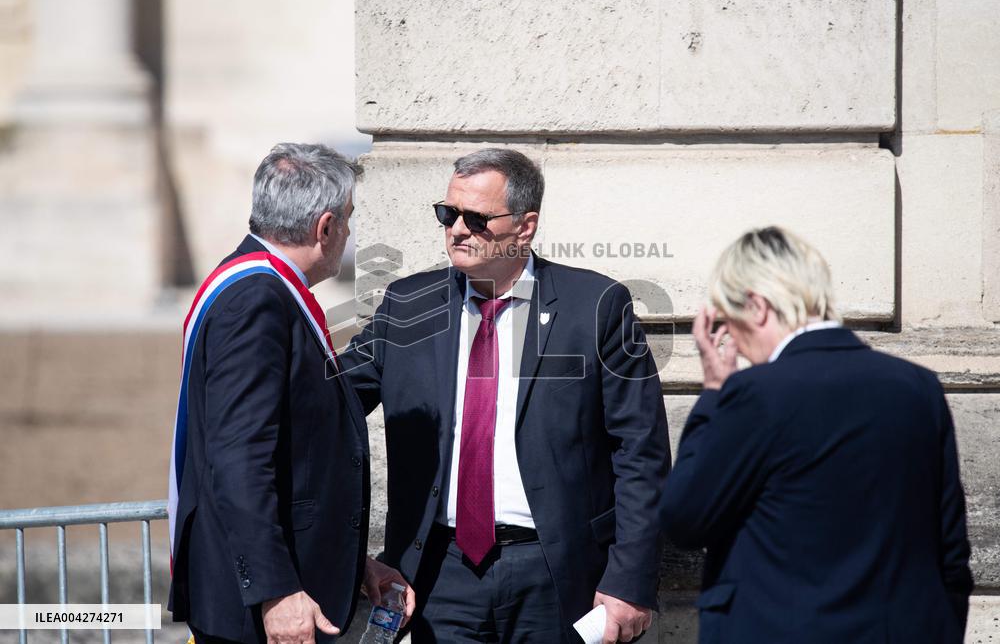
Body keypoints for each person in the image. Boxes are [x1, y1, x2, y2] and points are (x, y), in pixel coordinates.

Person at [339, 147, 670, 643]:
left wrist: (631, 580)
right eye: (448, 214)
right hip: (435, 575)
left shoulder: (596, 306)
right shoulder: (407, 305)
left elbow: (641, 452)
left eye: (476, 218)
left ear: (525, 225)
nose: (457, 230)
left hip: (555, 574)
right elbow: (326, 410)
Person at [660, 226, 973, 643]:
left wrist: (715, 392)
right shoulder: (919, 388)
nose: (728, 333)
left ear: (756, 306)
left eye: (726, 318)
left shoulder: (758, 393)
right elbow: (951, 553)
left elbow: (684, 518)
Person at [167, 143, 414, 644]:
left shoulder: (255, 282)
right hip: (262, 609)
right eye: (347, 219)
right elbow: (239, 459)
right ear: (325, 227)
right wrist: (276, 591)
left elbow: (297, 435)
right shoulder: (257, 300)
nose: (348, 232)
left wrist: (352, 562)